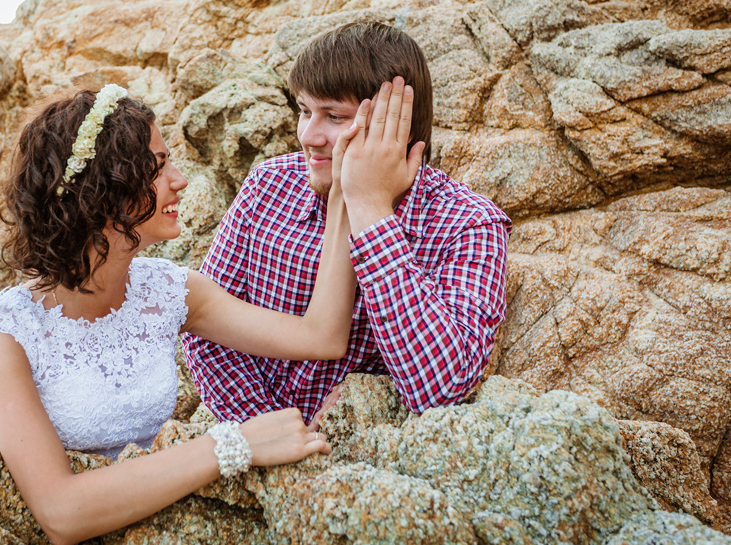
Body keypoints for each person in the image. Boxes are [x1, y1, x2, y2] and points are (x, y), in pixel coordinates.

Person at [0, 82, 419, 544]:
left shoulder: (168, 289)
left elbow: (321, 337)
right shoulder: (0, 337)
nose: (180, 180)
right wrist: (235, 444)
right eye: (157, 168)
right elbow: (61, 512)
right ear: (103, 191)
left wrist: (346, 191)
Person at [182, 21, 512, 428]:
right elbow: (205, 333)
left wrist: (370, 206)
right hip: (255, 443)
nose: (308, 135)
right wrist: (274, 433)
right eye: (304, 111)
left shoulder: (468, 223)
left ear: (397, 125)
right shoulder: (268, 185)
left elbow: (440, 388)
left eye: (335, 116)